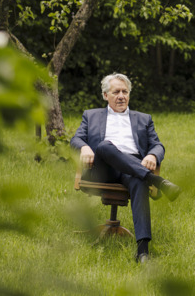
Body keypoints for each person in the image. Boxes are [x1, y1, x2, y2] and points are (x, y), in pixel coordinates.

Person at [70, 73, 181, 262]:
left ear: (129, 94)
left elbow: (157, 145)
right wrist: (85, 147)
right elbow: (76, 138)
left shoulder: (143, 119)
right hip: (102, 169)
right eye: (116, 92)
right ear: (106, 95)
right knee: (105, 146)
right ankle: (155, 180)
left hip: (133, 169)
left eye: (125, 91)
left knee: (138, 180)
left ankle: (143, 251)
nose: (121, 96)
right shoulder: (91, 115)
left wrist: (153, 154)